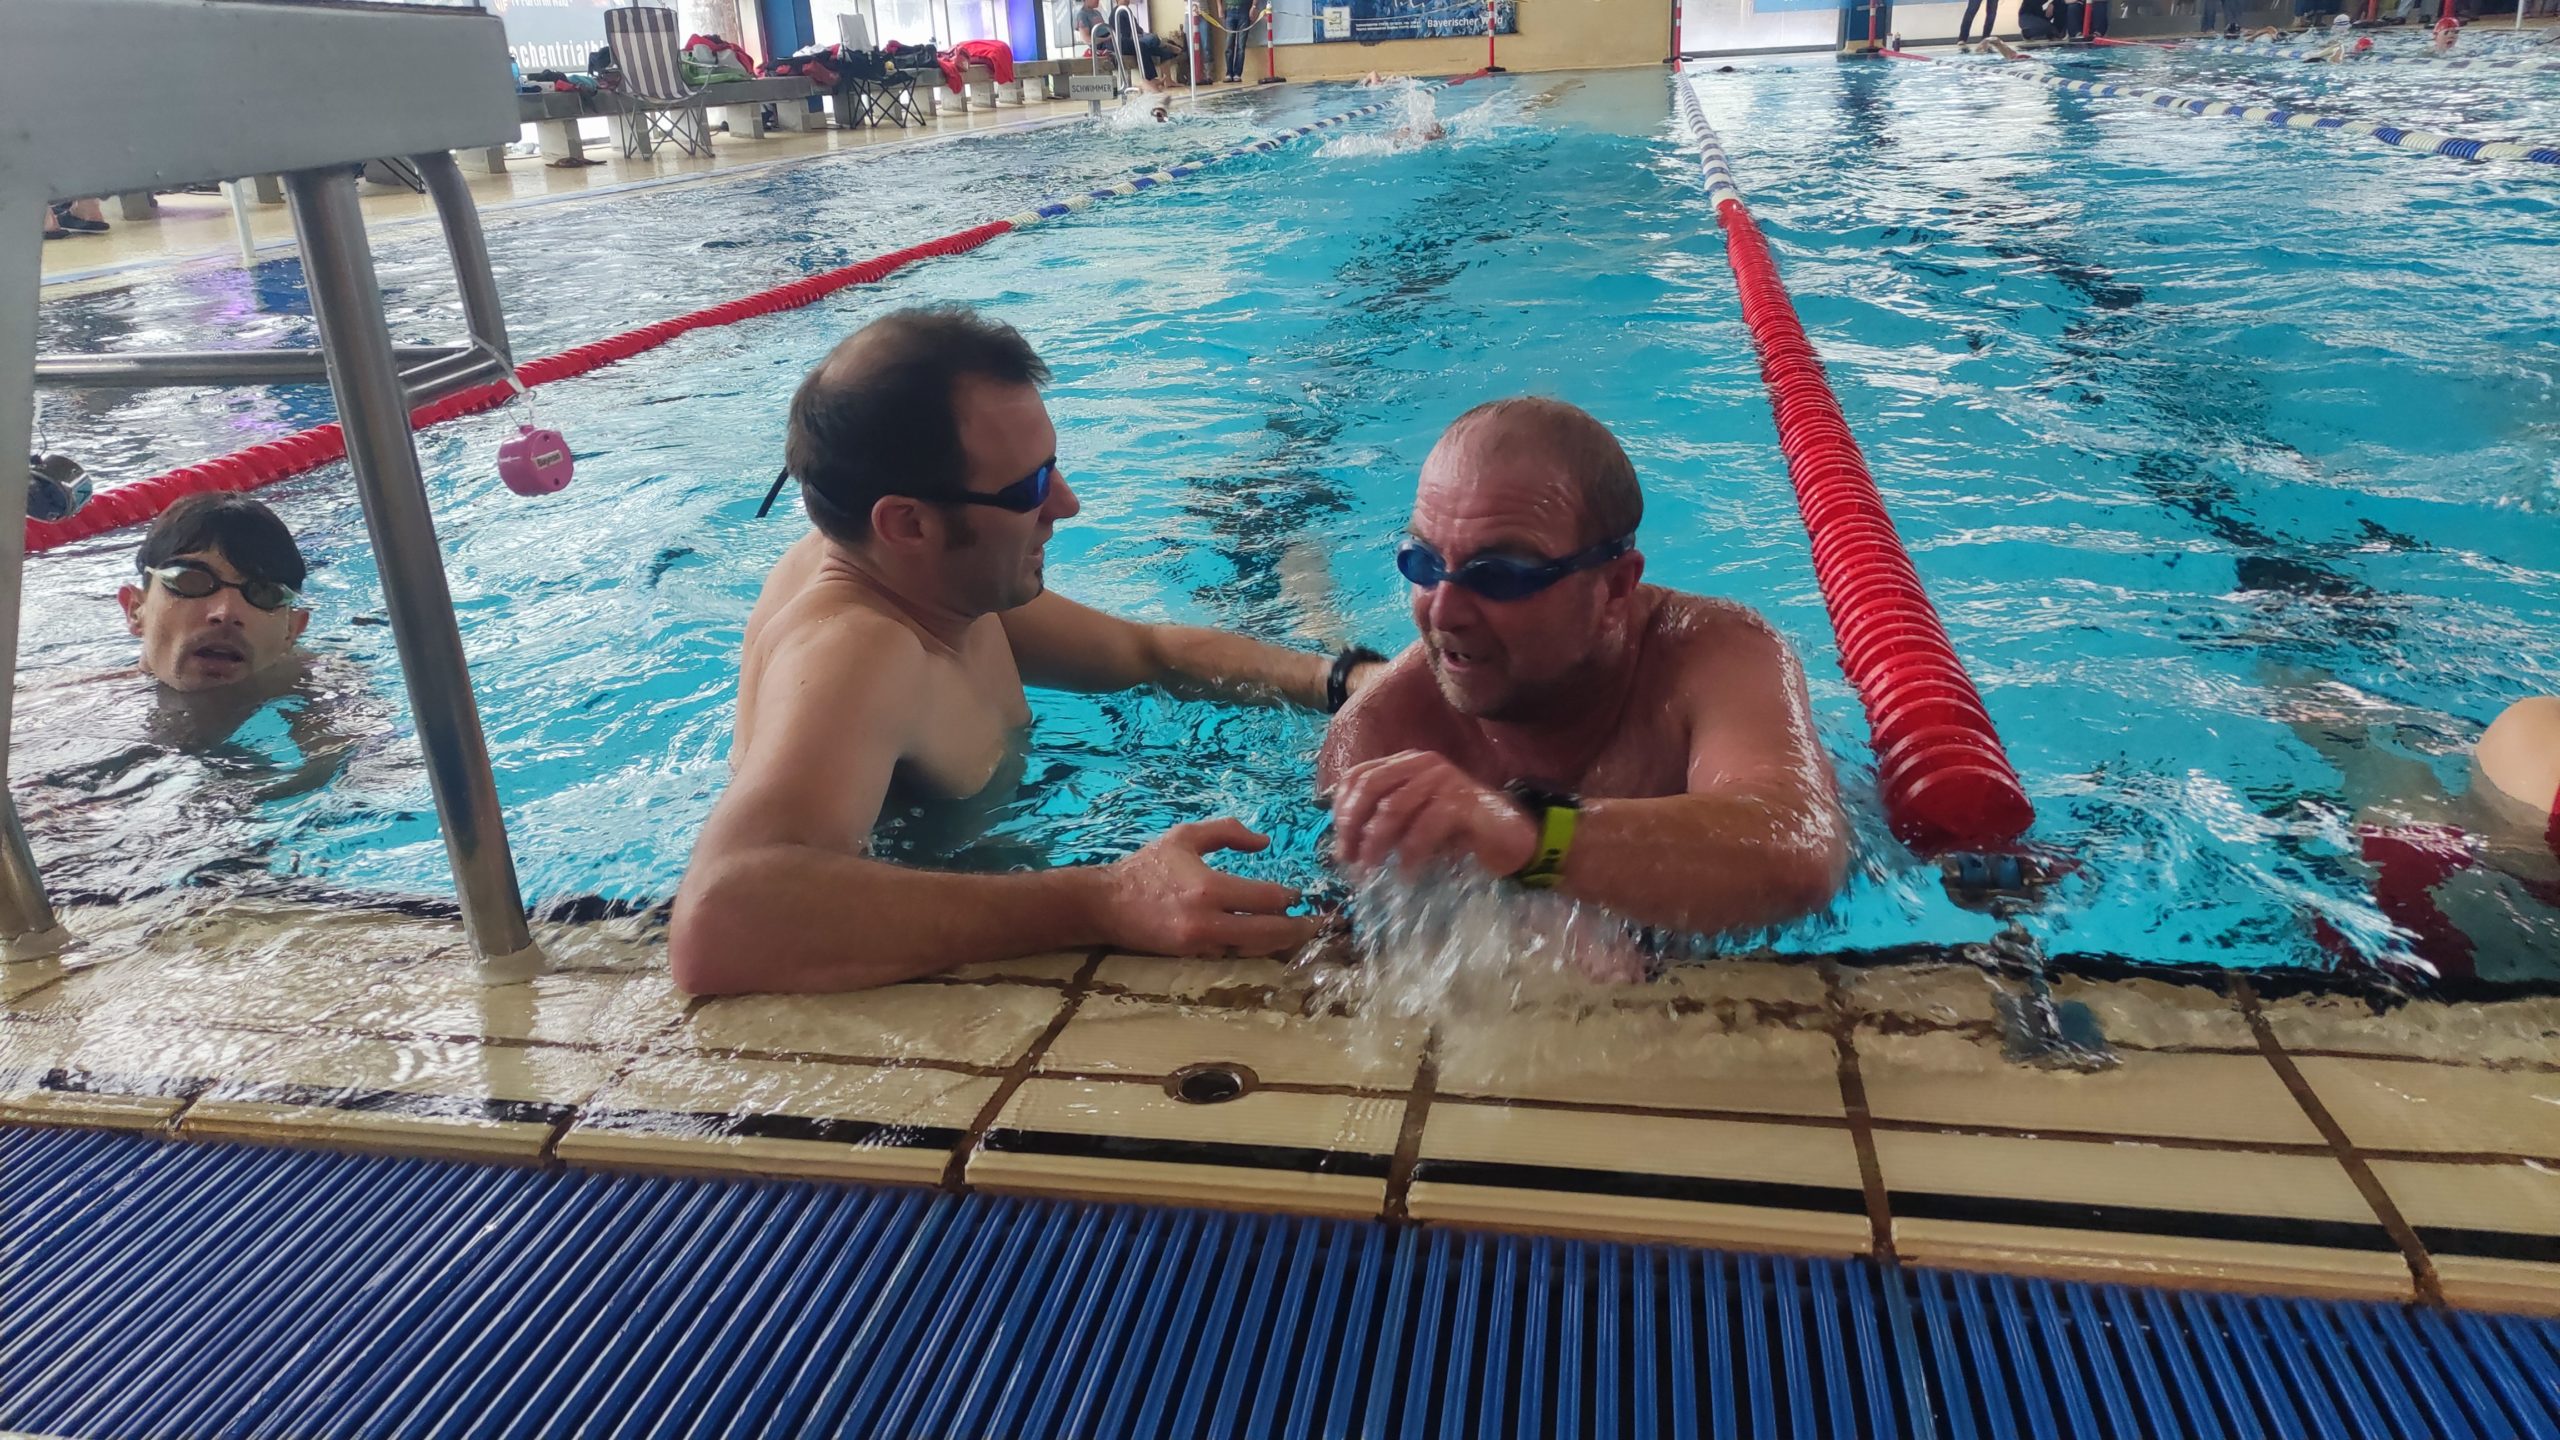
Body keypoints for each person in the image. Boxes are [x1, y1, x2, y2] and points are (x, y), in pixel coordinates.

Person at [670, 307, 1383, 995]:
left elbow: (1150, 652)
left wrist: (1347, 678)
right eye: (1029, 487)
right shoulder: (859, 645)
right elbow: (720, 921)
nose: (1066, 505)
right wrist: (1104, 900)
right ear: (907, 524)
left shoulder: (933, 586)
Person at [1317, 398, 1849, 942]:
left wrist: (1527, 834)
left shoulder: (1714, 655)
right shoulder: (1380, 732)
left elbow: (1799, 850)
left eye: (1500, 576)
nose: (1443, 612)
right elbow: (1342, 947)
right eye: (1422, 563)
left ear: (1615, 588)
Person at [2272, 671, 2559, 982]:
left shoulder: (2535, 740)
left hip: (2435, 882)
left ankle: (2281, 666)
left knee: (2394, 782)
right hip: (2485, 886)